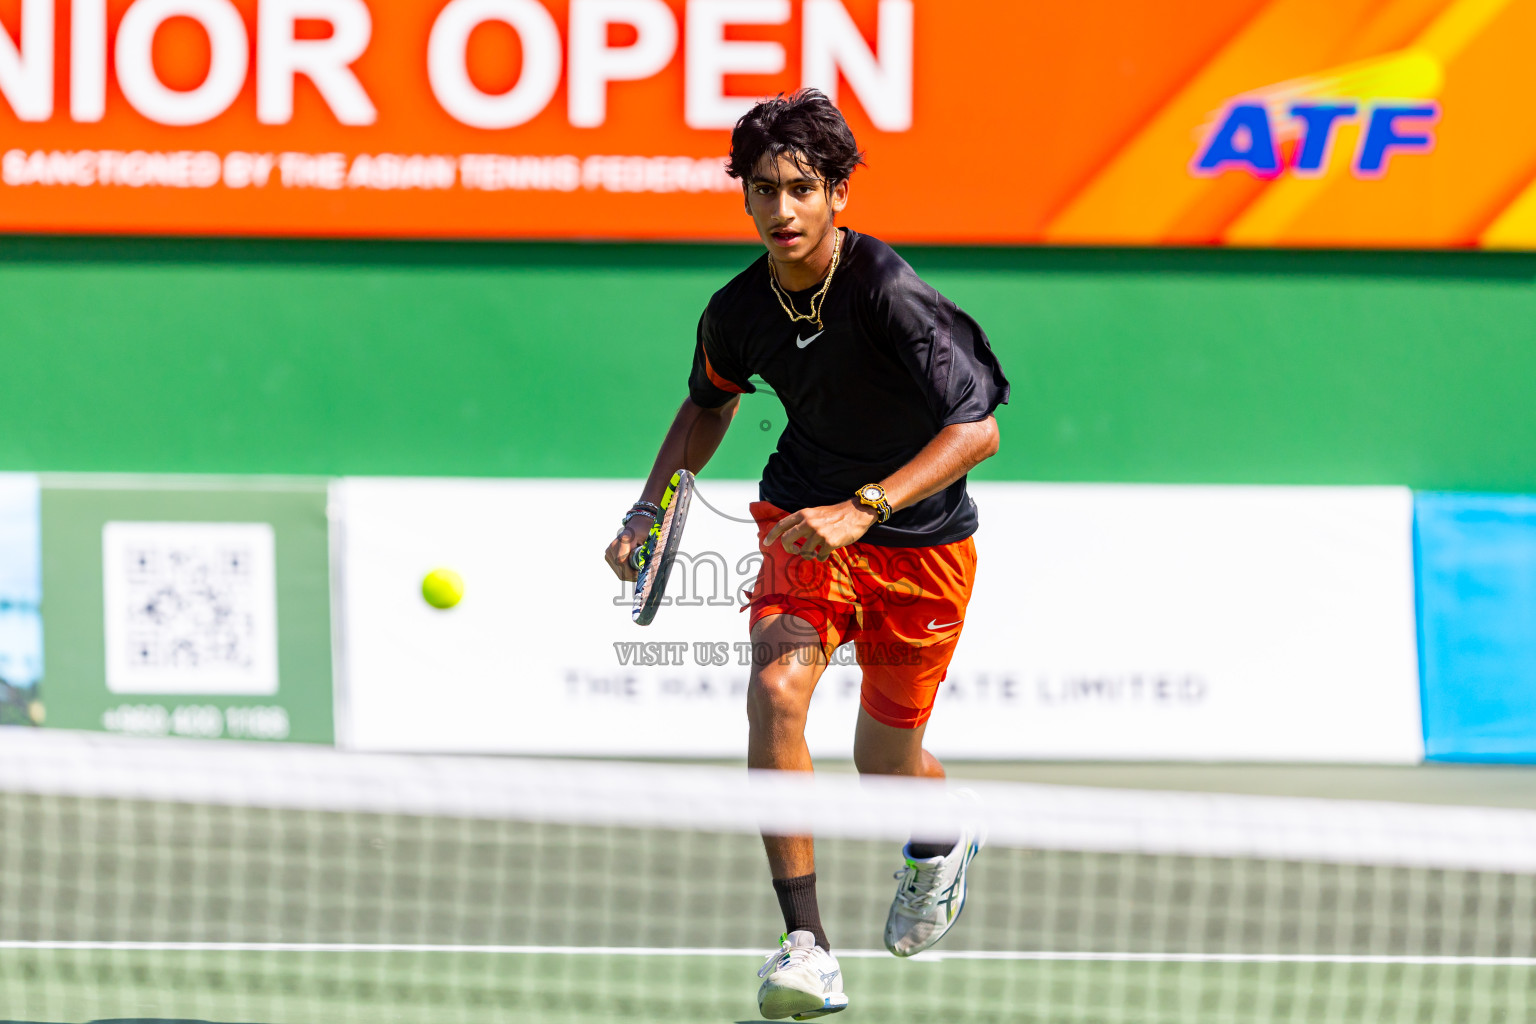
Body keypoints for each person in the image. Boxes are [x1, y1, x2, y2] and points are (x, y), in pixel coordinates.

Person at [603, 89, 1009, 1021]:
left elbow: (976, 430)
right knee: (777, 691)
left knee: (884, 760)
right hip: (799, 519)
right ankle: (806, 946)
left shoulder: (886, 292)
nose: (779, 210)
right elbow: (709, 403)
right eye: (761, 191)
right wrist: (650, 508)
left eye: (799, 189)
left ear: (836, 196)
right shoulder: (736, 310)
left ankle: (942, 835)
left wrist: (868, 507)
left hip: (921, 542)